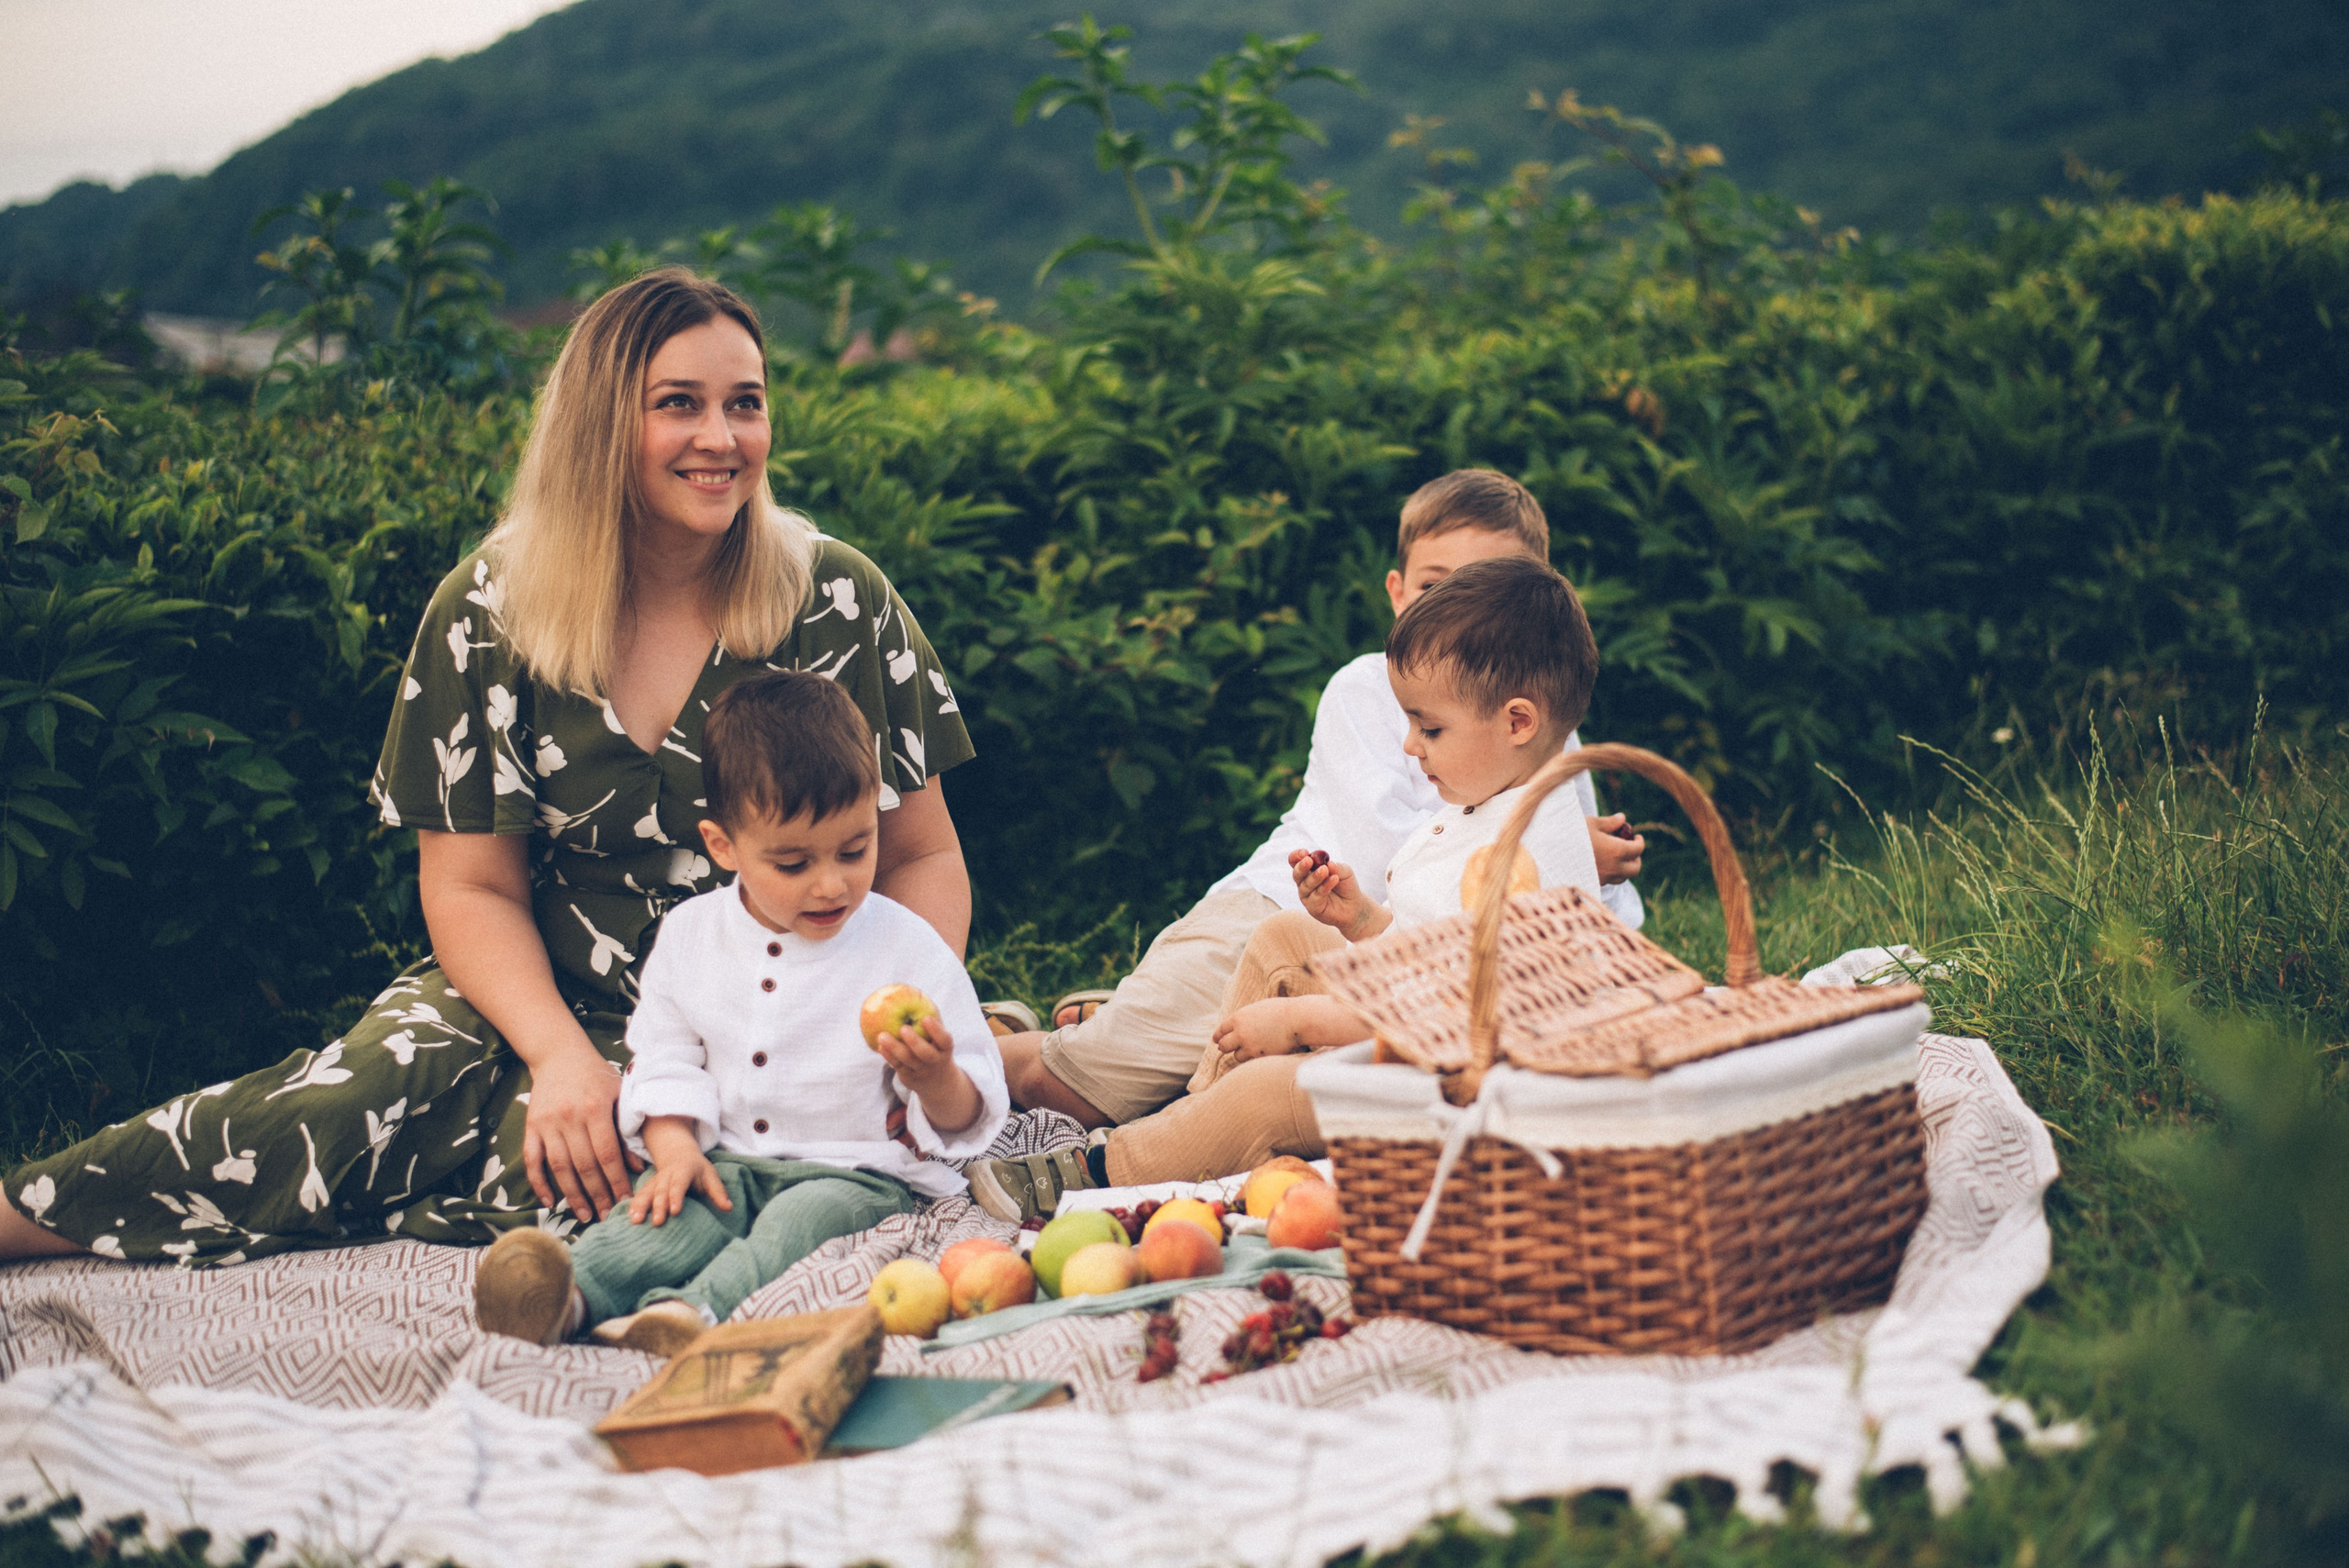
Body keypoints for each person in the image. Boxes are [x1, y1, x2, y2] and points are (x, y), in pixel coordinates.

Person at [0, 268, 975, 1265]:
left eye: (746, 404)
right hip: (528, 991)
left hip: (767, 1006)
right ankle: (24, 1218)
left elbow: (920, 855)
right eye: (678, 404)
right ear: (601, 421)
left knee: (622, 1179)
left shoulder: (836, 600)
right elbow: (471, 884)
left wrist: (892, 1025)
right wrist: (558, 1056)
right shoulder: (488, 611)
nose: (722, 438)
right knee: (352, 1100)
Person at [992, 470, 1643, 1138]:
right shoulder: (1366, 690)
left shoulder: (1541, 735)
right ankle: (982, 1051)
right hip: (1277, 916)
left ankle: (1118, 1030)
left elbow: (1574, 922)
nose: (1462, 615)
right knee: (1075, 1092)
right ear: (1398, 593)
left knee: (1249, 1101)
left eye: (1489, 591)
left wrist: (1582, 866)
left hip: (1401, 971)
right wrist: (1530, 847)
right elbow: (1389, 860)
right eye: (1436, 587)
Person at [473, 671, 1005, 1355]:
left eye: (855, 850)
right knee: (668, 1217)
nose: (832, 884)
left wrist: (936, 1079)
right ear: (723, 845)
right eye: (793, 863)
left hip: (854, 1173)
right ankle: (564, 1294)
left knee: (795, 1227)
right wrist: (674, 1149)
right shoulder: (693, 936)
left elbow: (971, 1116)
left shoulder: (907, 947)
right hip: (725, 1160)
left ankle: (688, 1313)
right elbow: (665, 1058)